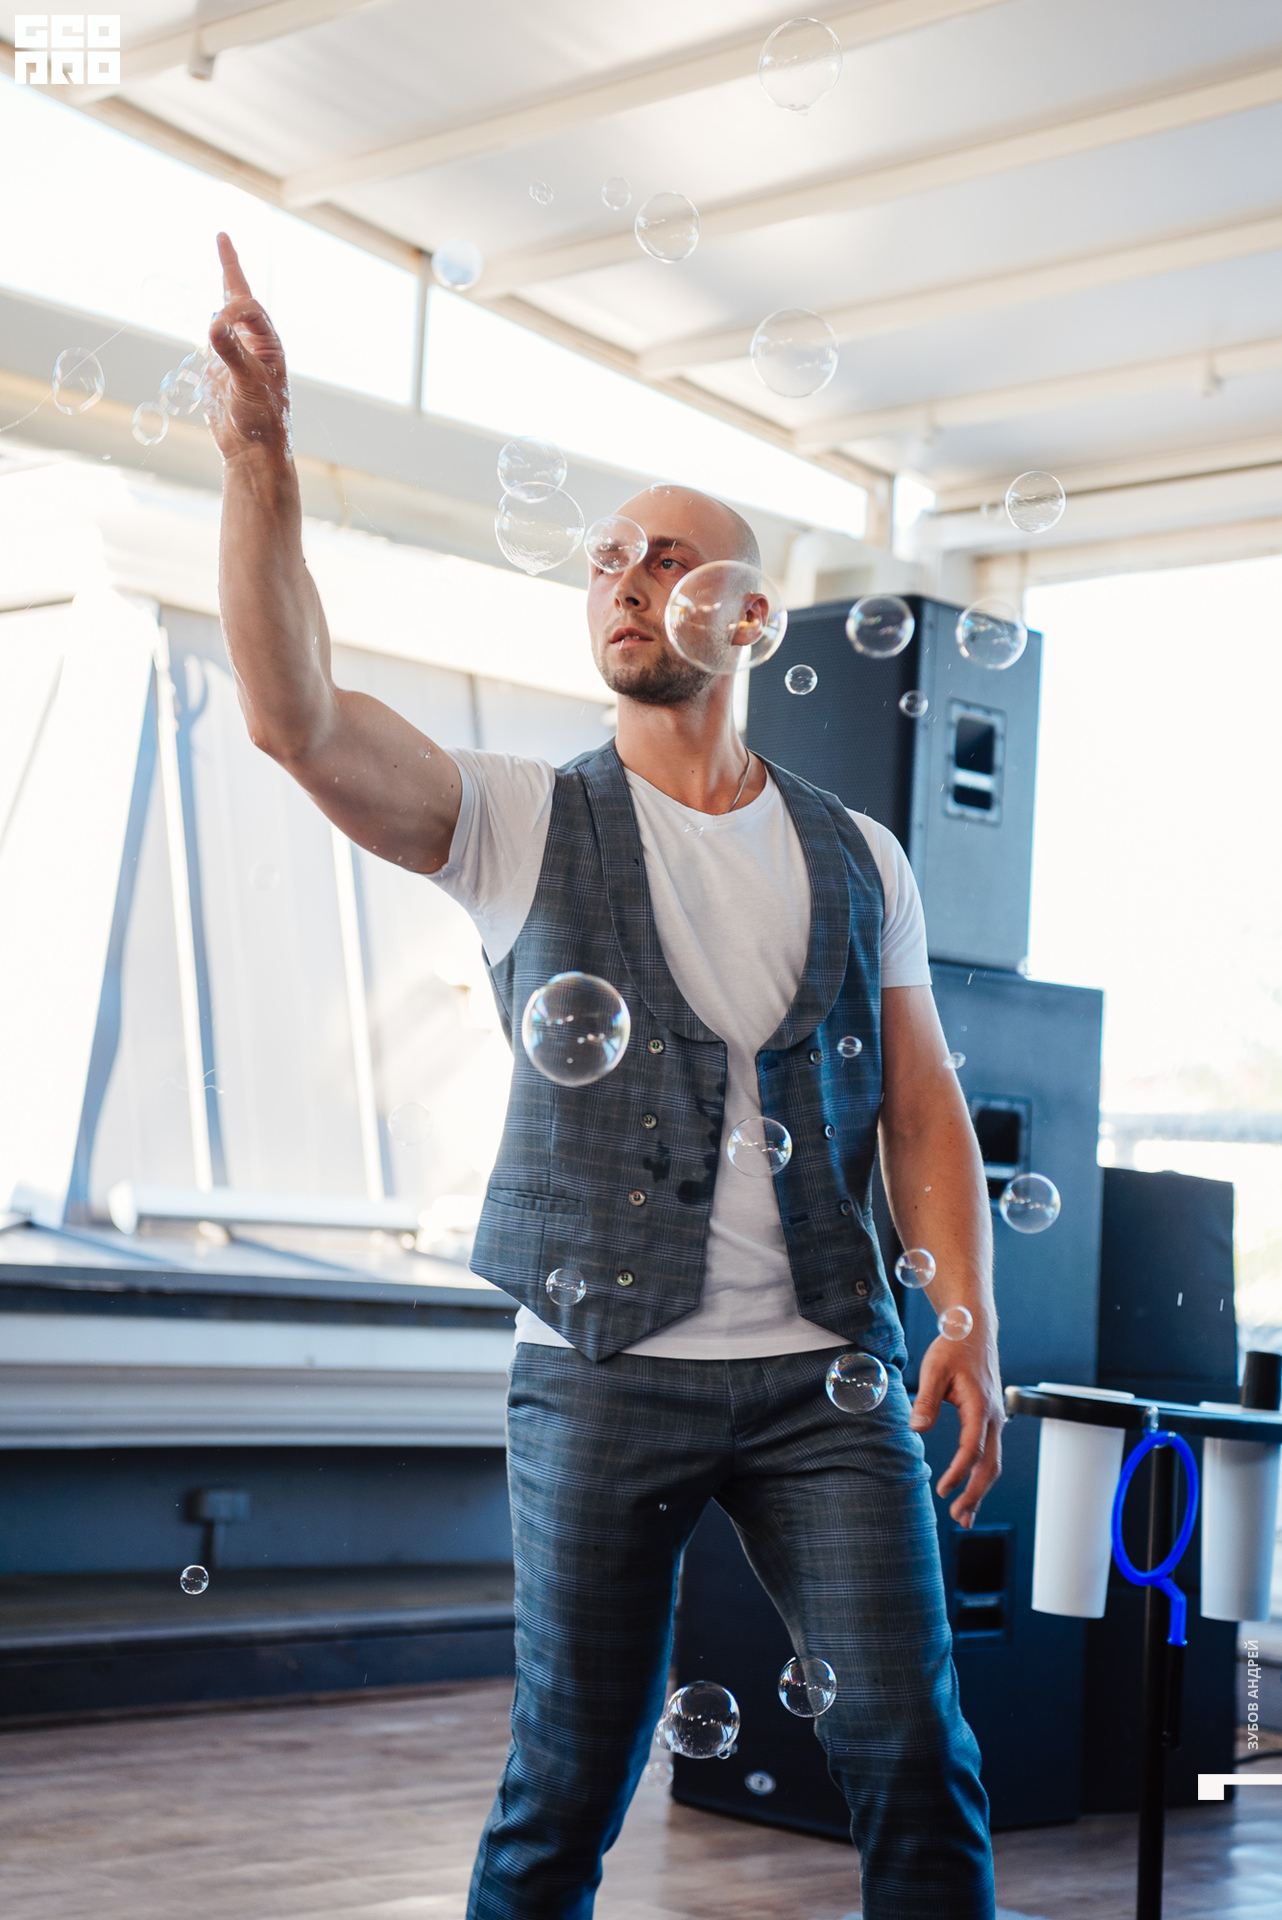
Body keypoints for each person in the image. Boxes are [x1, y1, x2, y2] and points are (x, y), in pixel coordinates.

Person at [207, 231, 1003, 1920]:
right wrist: (261, 458)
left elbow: (920, 1101)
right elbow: (295, 718)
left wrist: (965, 1312)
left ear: (751, 617)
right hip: (594, 1366)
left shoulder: (861, 853)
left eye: (670, 559)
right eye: (606, 563)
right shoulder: (515, 819)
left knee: (912, 1754)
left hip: (824, 1373)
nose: (629, 581)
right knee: (566, 1780)